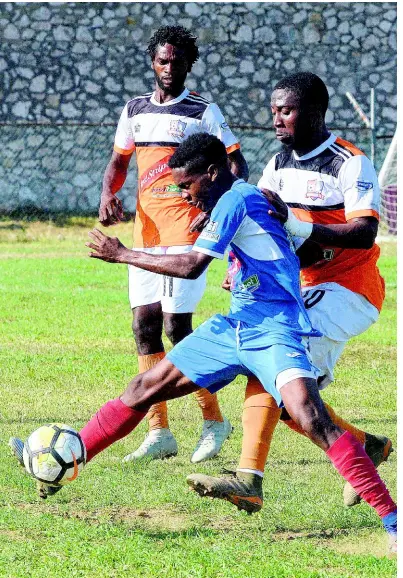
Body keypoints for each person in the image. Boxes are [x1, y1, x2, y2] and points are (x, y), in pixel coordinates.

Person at [9, 133, 397, 550]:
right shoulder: (233, 201)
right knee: (144, 387)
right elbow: (281, 247)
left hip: (275, 330)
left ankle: (393, 522)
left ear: (213, 173)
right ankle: (71, 455)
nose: (183, 194)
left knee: (311, 418)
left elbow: (193, 265)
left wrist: (122, 254)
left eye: (187, 185)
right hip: (236, 325)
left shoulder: (237, 198)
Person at [187, 72, 393, 515]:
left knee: (276, 371)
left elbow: (365, 231)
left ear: (316, 112)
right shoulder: (278, 165)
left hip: (348, 289)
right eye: (274, 111)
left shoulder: (349, 162)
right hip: (298, 289)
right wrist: (240, 267)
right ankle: (365, 446)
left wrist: (299, 225)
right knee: (286, 399)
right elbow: (261, 224)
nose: (277, 119)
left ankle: (247, 480)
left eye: (287, 110)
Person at [98, 26, 248, 463]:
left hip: (186, 233)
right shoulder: (135, 109)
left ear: (188, 64)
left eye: (177, 61)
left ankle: (213, 420)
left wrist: (215, 207)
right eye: (163, 61)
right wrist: (109, 193)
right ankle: (159, 431)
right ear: (153, 62)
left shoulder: (202, 111)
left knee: (176, 328)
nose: (169, 68)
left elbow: (235, 162)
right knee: (144, 326)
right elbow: (117, 161)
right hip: (147, 234)